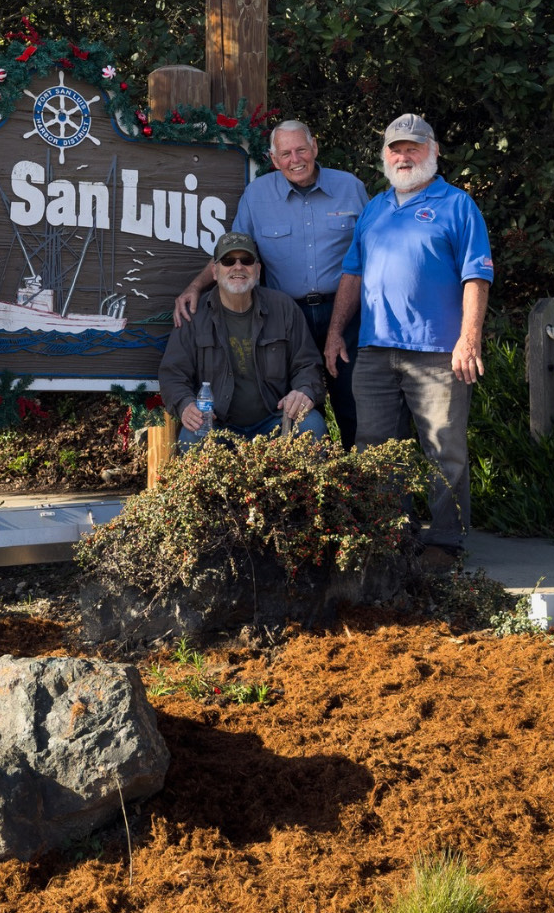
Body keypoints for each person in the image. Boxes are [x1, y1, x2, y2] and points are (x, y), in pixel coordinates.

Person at [323, 113, 493, 570]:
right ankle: (389, 534)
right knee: (374, 447)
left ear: (433, 152)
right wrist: (336, 331)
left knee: (444, 447)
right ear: (385, 156)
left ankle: (445, 543)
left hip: (439, 351)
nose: (404, 156)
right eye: (396, 149)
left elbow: (476, 275)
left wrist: (469, 340)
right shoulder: (375, 208)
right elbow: (353, 273)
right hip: (376, 350)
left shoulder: (457, 205)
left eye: (413, 148)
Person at [173, 119, 367, 444]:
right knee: (301, 410)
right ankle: (303, 487)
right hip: (286, 316)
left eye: (301, 149)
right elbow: (235, 251)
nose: (296, 159)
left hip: (345, 313)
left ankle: (359, 486)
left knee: (354, 406)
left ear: (315, 147)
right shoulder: (257, 195)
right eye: (286, 153)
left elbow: (373, 252)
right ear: (274, 160)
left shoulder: (351, 188)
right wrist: (196, 286)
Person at [159, 231, 327, 449]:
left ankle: (298, 484)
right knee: (191, 439)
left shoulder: (284, 308)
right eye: (228, 261)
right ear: (215, 272)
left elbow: (307, 363)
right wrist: (185, 404)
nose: (238, 267)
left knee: (312, 425)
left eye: (246, 260)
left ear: (257, 271)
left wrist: (303, 390)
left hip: (275, 421)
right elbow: (173, 373)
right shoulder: (194, 316)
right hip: (216, 424)